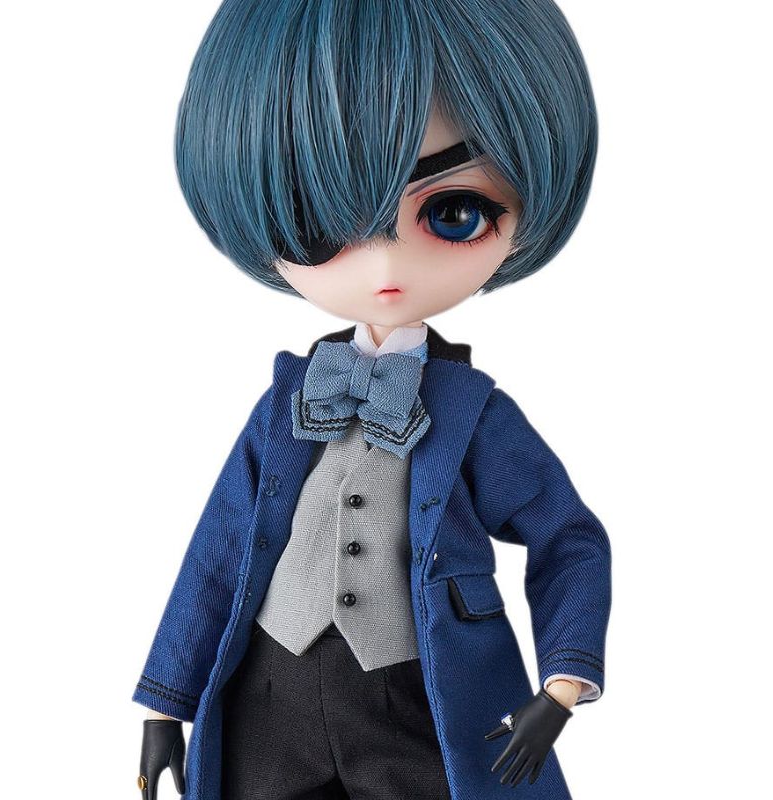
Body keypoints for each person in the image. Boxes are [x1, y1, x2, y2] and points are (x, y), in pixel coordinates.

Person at [132, 2, 611, 798]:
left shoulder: (475, 416)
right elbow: (216, 554)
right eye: (319, 218)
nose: (385, 267)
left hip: (416, 698)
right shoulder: (283, 407)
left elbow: (568, 539)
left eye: (452, 213)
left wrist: (563, 684)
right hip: (270, 696)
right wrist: (164, 704)